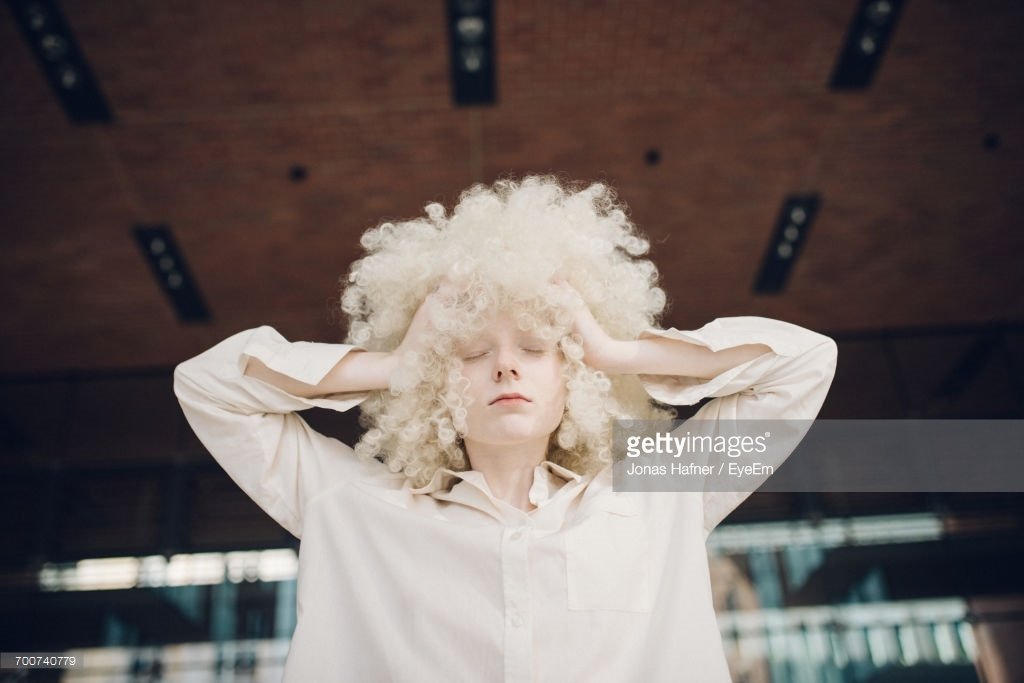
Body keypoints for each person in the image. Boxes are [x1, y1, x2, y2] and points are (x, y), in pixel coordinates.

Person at [174, 176, 837, 682]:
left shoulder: (660, 489)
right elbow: (207, 387)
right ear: (439, 381)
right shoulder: (351, 504)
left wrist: (615, 349)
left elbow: (803, 367)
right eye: (469, 351)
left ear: (574, 374)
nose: (506, 365)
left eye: (539, 344)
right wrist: (399, 360)